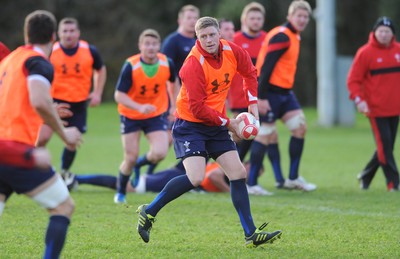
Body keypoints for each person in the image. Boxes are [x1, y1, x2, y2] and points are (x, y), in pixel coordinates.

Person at [136, 16, 282, 247]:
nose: (208, 40)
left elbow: (250, 72)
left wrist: (252, 104)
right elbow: (197, 107)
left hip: (216, 124)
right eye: (203, 36)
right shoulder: (193, 64)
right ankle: (149, 211)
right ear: (197, 38)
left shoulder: (231, 50)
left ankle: (250, 233)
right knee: (195, 177)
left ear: (219, 34)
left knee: (238, 173)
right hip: (190, 125)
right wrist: (230, 123)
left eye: (212, 34)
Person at [0, 10, 82, 259]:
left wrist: (47, 108)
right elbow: (38, 100)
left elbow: (19, 101)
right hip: (15, 151)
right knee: (63, 207)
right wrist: (64, 133)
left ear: (27, 35)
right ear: (54, 37)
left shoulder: (10, 60)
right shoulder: (38, 62)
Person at [250, 0, 316, 191]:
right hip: (269, 92)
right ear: (290, 16)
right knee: (265, 135)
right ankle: (252, 183)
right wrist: (260, 97)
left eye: (305, 17)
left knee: (300, 127)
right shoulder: (282, 36)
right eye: (299, 16)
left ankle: (293, 178)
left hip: (285, 93)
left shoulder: (294, 36)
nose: (302, 20)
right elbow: (266, 67)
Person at [37, 17, 107, 180]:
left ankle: (64, 173)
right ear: (57, 34)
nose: (68, 34)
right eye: (65, 31)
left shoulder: (89, 50)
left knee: (72, 141)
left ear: (78, 33)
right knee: (42, 138)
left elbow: (100, 69)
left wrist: (97, 92)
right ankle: (36, 169)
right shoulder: (51, 51)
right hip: (54, 102)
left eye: (72, 31)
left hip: (78, 104)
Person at [114, 29, 177, 204]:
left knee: (160, 152)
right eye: (147, 44)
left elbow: (174, 82)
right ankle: (121, 192)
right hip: (130, 115)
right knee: (130, 156)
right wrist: (139, 107)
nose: (150, 47)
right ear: (140, 46)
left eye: (154, 44)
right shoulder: (131, 65)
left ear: (159, 45)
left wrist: (174, 105)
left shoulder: (167, 63)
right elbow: (119, 95)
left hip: (155, 114)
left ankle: (138, 165)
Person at [347, 16, 400, 191]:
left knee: (386, 147)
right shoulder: (365, 52)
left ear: (392, 34)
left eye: (387, 31)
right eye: (381, 31)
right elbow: (353, 80)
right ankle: (394, 183)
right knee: (385, 146)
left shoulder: (398, 50)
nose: (384, 34)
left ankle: (366, 175)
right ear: (375, 32)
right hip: (375, 109)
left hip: (395, 108)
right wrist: (359, 100)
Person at [228, 2, 267, 164]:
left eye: (259, 18)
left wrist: (263, 97)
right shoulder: (235, 40)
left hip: (258, 99)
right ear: (244, 20)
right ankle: (223, 175)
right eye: (252, 18)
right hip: (238, 98)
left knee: (263, 137)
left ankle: (250, 179)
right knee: (238, 138)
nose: (256, 21)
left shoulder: (267, 39)